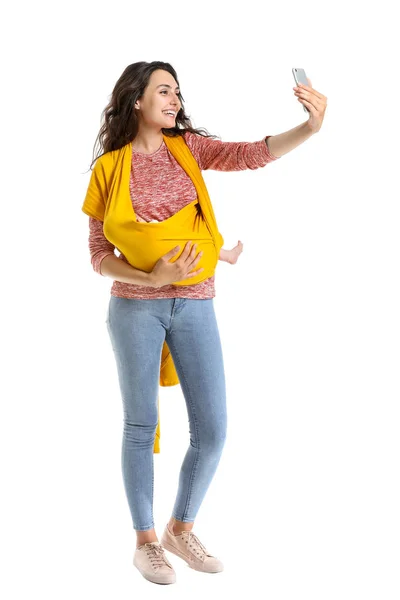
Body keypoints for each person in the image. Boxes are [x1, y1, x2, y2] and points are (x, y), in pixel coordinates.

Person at [82, 61, 326, 585]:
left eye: (176, 92)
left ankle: (180, 527)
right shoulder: (110, 168)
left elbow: (248, 155)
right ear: (135, 101)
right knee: (139, 426)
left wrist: (308, 128)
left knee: (212, 430)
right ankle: (145, 541)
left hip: (195, 303)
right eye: (163, 91)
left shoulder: (188, 148)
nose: (174, 100)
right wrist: (149, 279)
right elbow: (98, 252)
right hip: (134, 307)